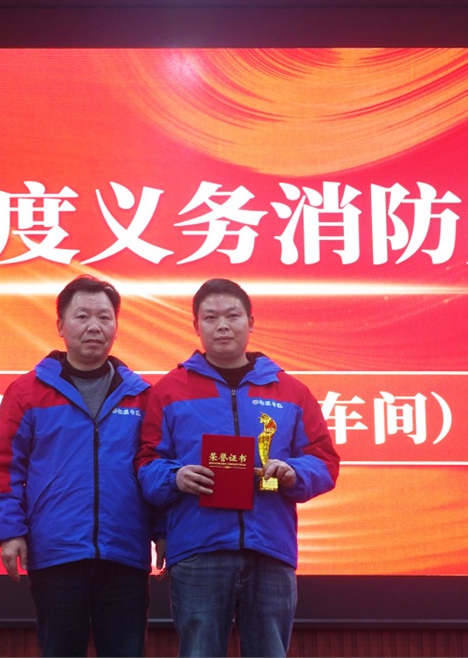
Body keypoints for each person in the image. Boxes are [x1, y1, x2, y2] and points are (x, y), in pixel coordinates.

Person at [136, 278, 340, 657]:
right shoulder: (169, 390)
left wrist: (294, 473)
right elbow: (146, 464)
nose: (223, 326)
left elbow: (325, 462)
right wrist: (175, 477)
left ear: (251, 322)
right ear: (196, 326)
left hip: (270, 549)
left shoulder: (291, 391)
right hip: (199, 550)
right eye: (210, 318)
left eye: (232, 316)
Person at [0, 275, 161, 657]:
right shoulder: (27, 393)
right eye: (82, 316)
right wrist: (10, 531)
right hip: (56, 553)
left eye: (104, 317)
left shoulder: (142, 396)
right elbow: (4, 468)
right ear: (61, 326)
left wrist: (163, 533)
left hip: (125, 553)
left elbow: (155, 469)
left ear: (116, 326)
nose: (94, 326)